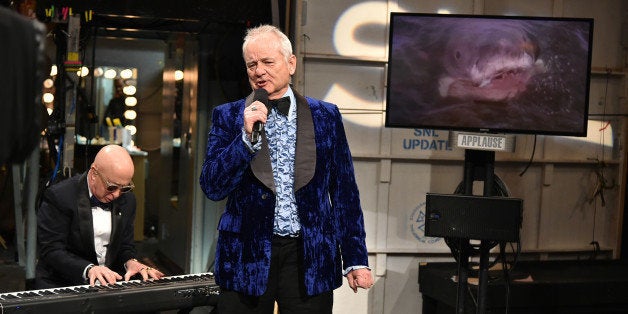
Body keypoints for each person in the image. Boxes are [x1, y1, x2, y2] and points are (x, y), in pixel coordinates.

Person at [199, 24, 374, 313]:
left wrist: (356, 258)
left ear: (290, 63)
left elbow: (344, 192)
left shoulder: (326, 115)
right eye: (252, 64)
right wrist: (243, 140)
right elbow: (212, 186)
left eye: (268, 62)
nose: (259, 71)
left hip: (309, 256)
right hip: (246, 256)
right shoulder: (228, 115)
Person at [35, 144, 164, 288]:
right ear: (94, 173)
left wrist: (131, 262)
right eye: (112, 187)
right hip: (62, 281)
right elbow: (51, 250)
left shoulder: (128, 200)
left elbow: (124, 247)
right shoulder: (59, 196)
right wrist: (89, 269)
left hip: (108, 282)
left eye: (125, 188)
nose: (117, 194)